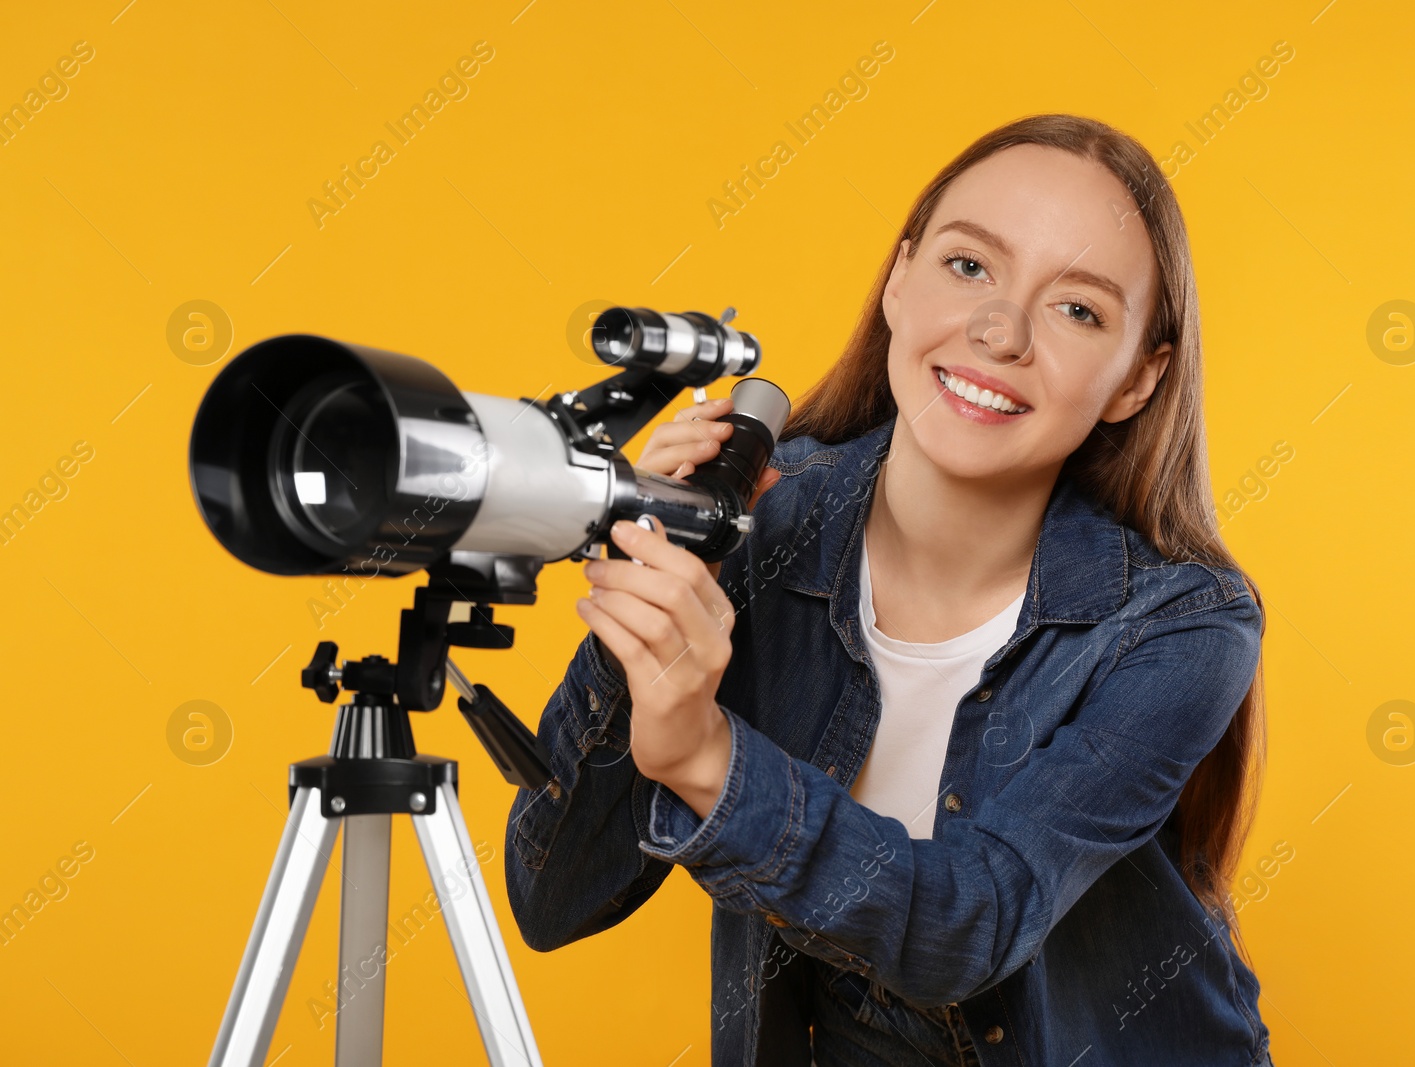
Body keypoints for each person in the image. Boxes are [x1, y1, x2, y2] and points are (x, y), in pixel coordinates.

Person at [505, 113, 1273, 1066]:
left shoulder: (1183, 623)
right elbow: (550, 897)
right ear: (900, 280)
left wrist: (706, 756)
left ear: (1136, 379)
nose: (999, 332)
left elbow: (974, 922)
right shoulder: (763, 524)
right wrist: (653, 591)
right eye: (968, 266)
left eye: (1079, 310)